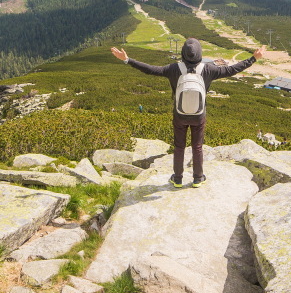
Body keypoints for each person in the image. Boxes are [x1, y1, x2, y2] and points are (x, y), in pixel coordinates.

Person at [111, 38, 264, 188]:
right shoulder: (209, 69)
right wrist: (253, 58)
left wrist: (127, 59)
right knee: (197, 146)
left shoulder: (173, 68)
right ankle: (198, 178)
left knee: (179, 147)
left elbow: (149, 69)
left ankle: (177, 179)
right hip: (199, 115)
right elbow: (232, 70)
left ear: (183, 53)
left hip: (179, 114)